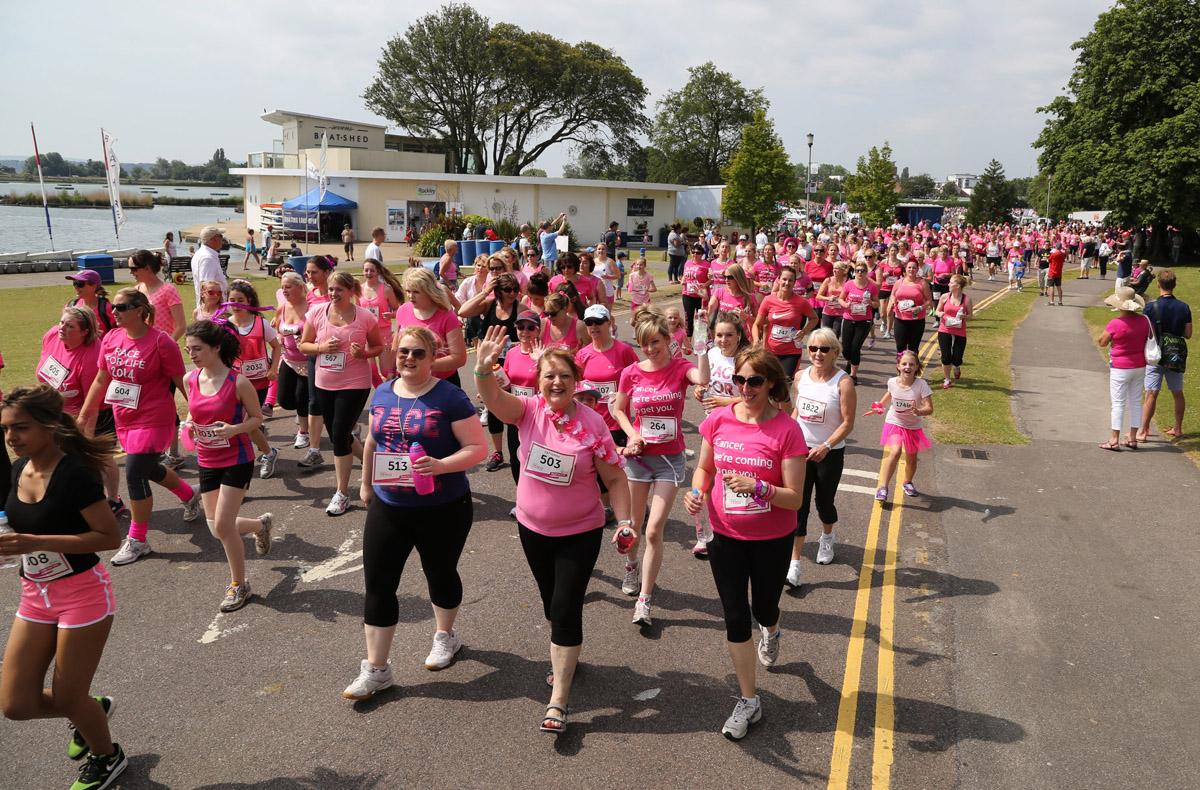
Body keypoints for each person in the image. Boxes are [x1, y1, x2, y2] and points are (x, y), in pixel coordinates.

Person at [474, 325, 633, 734]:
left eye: (564, 375)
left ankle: (558, 700)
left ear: (576, 381)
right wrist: (482, 369)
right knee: (550, 604)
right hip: (532, 529)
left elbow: (615, 480)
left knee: (565, 608)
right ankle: (567, 655)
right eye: (549, 375)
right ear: (539, 382)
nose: (556, 382)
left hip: (580, 531)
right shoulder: (527, 411)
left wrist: (626, 521)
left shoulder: (594, 425)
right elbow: (493, 399)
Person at [343, 327, 487, 701]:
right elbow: (374, 440)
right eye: (404, 351)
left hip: (443, 507)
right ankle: (376, 669)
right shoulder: (384, 392)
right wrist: (365, 483)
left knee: (439, 575)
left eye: (418, 353)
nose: (409, 358)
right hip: (389, 505)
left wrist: (441, 466)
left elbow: (477, 448)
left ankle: (445, 636)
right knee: (378, 583)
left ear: (433, 356)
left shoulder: (450, 397)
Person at [0, 385, 127, 790]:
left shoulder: (73, 474)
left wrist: (36, 543)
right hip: (35, 595)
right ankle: (91, 711)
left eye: (20, 428)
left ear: (49, 426)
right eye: (5, 429)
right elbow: (21, 526)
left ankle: (107, 756)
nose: (10, 437)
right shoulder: (20, 470)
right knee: (15, 705)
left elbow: (109, 537)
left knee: (71, 697)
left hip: (83, 595)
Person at [682, 347, 808, 740]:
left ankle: (772, 628)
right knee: (735, 614)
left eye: (754, 381)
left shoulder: (787, 429)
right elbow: (704, 468)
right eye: (740, 380)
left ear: (771, 382)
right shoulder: (719, 420)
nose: (746, 388)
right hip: (726, 536)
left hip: (771, 539)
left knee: (763, 608)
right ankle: (749, 700)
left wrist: (759, 488)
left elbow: (795, 498)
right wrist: (696, 491)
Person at [78, 289, 198, 566]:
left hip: (155, 418)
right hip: (125, 417)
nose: (114, 312)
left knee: (134, 473)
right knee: (145, 468)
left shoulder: (161, 342)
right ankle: (189, 494)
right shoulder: (111, 338)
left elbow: (181, 381)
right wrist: (85, 414)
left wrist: (196, 414)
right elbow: (101, 379)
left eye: (121, 307)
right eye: (114, 307)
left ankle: (138, 539)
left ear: (140, 310)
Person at [611, 307, 706, 626]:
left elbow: (701, 379)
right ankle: (631, 567)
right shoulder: (631, 373)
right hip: (638, 459)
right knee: (634, 527)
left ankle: (645, 600)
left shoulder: (680, 367)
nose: (650, 349)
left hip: (669, 460)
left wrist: (703, 345)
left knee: (654, 529)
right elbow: (618, 410)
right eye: (644, 343)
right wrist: (633, 433)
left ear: (667, 340)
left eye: (655, 342)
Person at [182, 320, 274, 612]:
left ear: (216, 347)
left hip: (237, 459)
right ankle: (260, 525)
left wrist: (234, 430)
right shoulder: (190, 380)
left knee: (222, 525)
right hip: (206, 458)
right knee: (215, 528)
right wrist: (189, 425)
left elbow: (257, 419)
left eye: (197, 349)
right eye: (188, 350)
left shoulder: (239, 382)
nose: (192, 355)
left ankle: (239, 585)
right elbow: (194, 413)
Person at [298, 271, 384, 515]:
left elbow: (378, 346)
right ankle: (373, 463)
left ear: (350, 291)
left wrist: (364, 354)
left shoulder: (365, 317)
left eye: (339, 290)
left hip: (355, 383)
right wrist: (321, 347)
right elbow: (303, 344)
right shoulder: (317, 312)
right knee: (340, 434)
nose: (334, 294)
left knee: (339, 434)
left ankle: (342, 493)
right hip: (324, 382)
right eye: (331, 289)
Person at [36, 308, 124, 515]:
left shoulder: (92, 355)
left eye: (69, 326)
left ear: (84, 331)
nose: (62, 328)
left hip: (96, 411)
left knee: (99, 457)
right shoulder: (52, 336)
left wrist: (86, 440)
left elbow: (91, 402)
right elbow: (43, 369)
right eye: (61, 322)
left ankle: (113, 499)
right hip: (58, 411)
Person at [787, 328, 855, 588]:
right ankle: (794, 566)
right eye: (813, 348)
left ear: (835, 352)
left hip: (829, 454)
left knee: (824, 503)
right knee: (798, 506)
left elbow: (848, 423)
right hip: (800, 452)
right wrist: (787, 435)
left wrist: (826, 445)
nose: (817, 353)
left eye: (824, 349)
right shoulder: (800, 377)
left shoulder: (843, 382)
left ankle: (827, 536)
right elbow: (798, 410)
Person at [459, 271, 522, 472]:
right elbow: (463, 311)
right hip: (491, 365)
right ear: (498, 291)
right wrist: (485, 292)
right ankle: (498, 452)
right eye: (508, 290)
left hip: (513, 366)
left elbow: (534, 326)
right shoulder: (489, 305)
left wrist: (519, 345)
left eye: (515, 289)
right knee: (493, 408)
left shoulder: (520, 308)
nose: (512, 293)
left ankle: (519, 449)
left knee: (513, 410)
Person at [223, 280, 282, 479]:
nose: (236, 304)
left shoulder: (260, 323)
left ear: (249, 301)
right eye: (232, 301)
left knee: (247, 423)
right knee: (245, 423)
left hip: (258, 382)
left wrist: (273, 368)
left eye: (240, 300)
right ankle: (267, 452)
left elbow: (276, 346)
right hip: (236, 382)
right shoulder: (225, 325)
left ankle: (266, 454)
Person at [865, 350, 934, 501]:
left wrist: (919, 411)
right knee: (895, 452)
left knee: (911, 456)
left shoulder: (921, 385)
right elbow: (889, 395)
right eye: (904, 364)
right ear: (898, 366)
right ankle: (883, 487)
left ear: (917, 367)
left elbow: (930, 408)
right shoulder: (892, 382)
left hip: (913, 426)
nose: (907, 367)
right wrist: (878, 407)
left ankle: (907, 482)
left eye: (911, 364)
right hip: (895, 422)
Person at [1097, 287, 1153, 450]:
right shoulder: (1144, 320)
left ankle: (1114, 439)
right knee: (1135, 401)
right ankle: (1133, 438)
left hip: (1121, 366)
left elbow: (1102, 342)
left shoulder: (1116, 323)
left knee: (1118, 403)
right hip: (1140, 365)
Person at [1140, 270, 1192, 442]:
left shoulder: (1150, 307)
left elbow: (1145, 331)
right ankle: (1177, 428)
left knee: (1151, 393)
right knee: (1177, 392)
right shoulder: (1184, 307)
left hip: (1155, 353)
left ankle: (1144, 429)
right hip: (1175, 354)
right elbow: (1188, 333)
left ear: (1158, 284)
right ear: (1174, 285)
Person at [396, 267, 467, 387]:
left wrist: (425, 365)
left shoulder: (447, 316)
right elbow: (396, 346)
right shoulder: (403, 310)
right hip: (409, 381)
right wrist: (393, 371)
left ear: (429, 291)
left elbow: (459, 358)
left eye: (416, 292)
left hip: (442, 383)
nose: (410, 296)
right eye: (408, 291)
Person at [753, 266, 818, 380]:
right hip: (770, 351)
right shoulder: (769, 300)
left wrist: (803, 332)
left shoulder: (801, 302)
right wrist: (755, 341)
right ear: (778, 280)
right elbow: (757, 324)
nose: (787, 283)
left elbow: (814, 318)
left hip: (791, 352)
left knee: (784, 384)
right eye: (784, 279)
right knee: (769, 385)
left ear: (794, 282)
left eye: (790, 280)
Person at [275, 272, 315, 452]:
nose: (284, 290)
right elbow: (278, 331)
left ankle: (304, 432)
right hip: (288, 359)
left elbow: (318, 332)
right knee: (284, 400)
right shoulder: (282, 308)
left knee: (301, 397)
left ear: (300, 287)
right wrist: (280, 340)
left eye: (288, 287)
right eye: (282, 287)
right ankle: (305, 412)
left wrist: (307, 340)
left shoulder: (310, 309)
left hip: (307, 362)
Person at [360, 259, 404, 383]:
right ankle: (381, 397)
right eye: (366, 270)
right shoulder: (359, 289)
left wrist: (391, 315)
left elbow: (398, 310)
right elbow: (356, 311)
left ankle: (391, 391)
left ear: (378, 272)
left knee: (386, 372)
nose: (368, 273)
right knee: (372, 371)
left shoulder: (386, 289)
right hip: (367, 335)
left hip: (383, 334)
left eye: (372, 270)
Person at [838, 259, 880, 382]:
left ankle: (853, 375)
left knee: (855, 347)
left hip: (864, 321)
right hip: (848, 318)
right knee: (846, 349)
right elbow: (841, 298)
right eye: (857, 271)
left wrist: (871, 302)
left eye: (862, 271)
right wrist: (845, 305)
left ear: (866, 272)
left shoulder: (872, 287)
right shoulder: (849, 284)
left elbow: (877, 304)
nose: (860, 273)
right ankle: (849, 362)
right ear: (854, 272)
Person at [935, 274, 973, 389]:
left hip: (959, 330)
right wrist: (940, 314)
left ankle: (956, 367)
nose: (949, 284)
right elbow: (937, 311)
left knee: (957, 358)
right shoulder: (945, 297)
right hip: (944, 329)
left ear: (958, 286)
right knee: (946, 357)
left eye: (951, 283)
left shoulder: (966, 299)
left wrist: (964, 317)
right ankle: (947, 379)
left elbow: (971, 316)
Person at [890, 261, 933, 355]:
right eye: (909, 267)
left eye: (914, 268)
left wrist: (921, 307)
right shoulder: (899, 282)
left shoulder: (922, 283)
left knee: (913, 348)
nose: (911, 270)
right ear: (905, 269)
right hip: (900, 318)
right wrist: (893, 302)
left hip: (916, 320)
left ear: (917, 270)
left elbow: (929, 301)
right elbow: (893, 295)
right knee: (900, 347)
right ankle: (901, 367)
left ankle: (914, 368)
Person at [65, 270, 116, 337]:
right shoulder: (71, 305)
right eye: (74, 283)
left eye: (80, 284)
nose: (76, 287)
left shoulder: (107, 309)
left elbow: (118, 333)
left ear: (94, 286)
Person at [680, 244, 711, 339]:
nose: (695, 254)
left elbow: (712, 279)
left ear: (702, 254)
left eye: (698, 253)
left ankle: (701, 339)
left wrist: (705, 285)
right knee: (688, 317)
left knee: (701, 318)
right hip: (687, 294)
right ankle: (689, 339)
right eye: (693, 252)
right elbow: (685, 275)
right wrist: (682, 280)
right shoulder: (687, 263)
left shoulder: (706, 265)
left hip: (701, 295)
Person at [191, 226, 228, 302]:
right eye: (220, 236)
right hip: (215, 309)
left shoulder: (200, 254)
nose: (222, 239)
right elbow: (208, 289)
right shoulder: (208, 258)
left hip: (210, 308)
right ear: (213, 239)